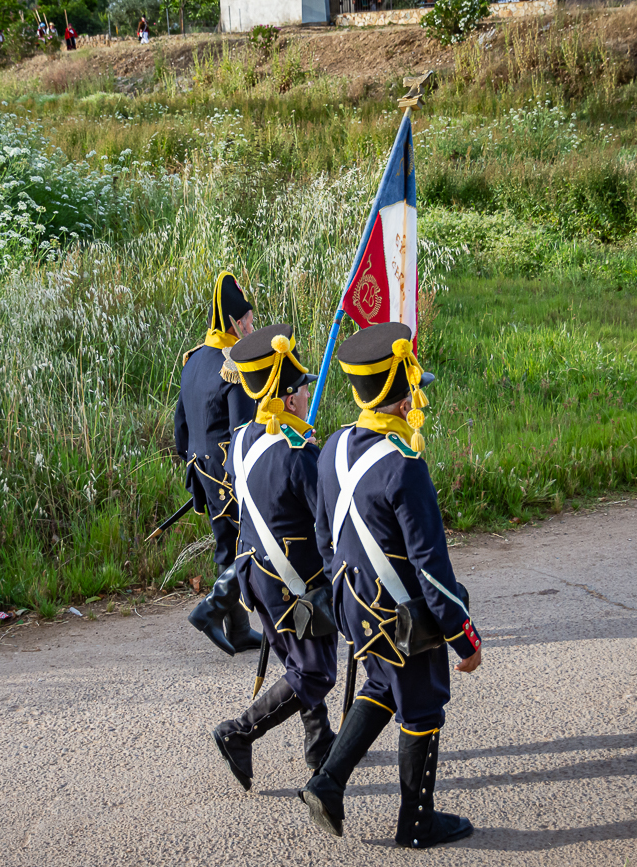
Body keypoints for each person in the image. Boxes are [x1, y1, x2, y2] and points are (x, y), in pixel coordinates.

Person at [300, 321, 483, 850]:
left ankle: (327, 783)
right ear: (404, 402)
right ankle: (417, 824)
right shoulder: (405, 466)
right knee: (422, 706)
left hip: (353, 604)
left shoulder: (333, 446)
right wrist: (464, 637)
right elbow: (431, 567)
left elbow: (323, 535)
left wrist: (350, 596)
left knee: (382, 685)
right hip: (401, 614)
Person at [212, 324, 339, 791]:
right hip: (291, 582)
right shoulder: (299, 452)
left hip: (254, 574)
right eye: (302, 388)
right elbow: (327, 521)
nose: (306, 394)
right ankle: (239, 732)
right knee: (315, 672)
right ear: (288, 398)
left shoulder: (243, 438)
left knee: (297, 663)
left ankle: (319, 742)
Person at [175, 272, 262, 656]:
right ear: (233, 322)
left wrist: (190, 459)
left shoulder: (193, 359)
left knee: (229, 546)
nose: (252, 328)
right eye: (248, 322)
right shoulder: (234, 365)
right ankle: (210, 610)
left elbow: (180, 423)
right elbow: (242, 431)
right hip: (228, 471)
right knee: (252, 545)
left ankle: (238, 629)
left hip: (201, 467)